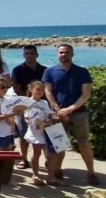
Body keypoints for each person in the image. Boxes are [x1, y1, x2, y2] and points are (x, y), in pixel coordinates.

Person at [43, 44, 98, 185]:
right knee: (59, 145)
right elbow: (48, 92)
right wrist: (57, 109)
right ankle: (57, 170)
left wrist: (70, 109)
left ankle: (91, 172)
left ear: (72, 54)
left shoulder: (82, 72)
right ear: (57, 54)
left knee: (84, 143)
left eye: (66, 52)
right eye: (61, 52)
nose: (63, 54)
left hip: (79, 114)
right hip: (58, 114)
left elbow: (86, 95)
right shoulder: (49, 71)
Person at [11, 45, 47, 169]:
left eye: (32, 53)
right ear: (24, 55)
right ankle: (24, 159)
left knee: (44, 132)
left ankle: (48, 160)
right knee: (23, 135)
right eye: (27, 53)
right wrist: (29, 103)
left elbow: (48, 88)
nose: (29, 55)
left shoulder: (44, 70)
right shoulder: (17, 70)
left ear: (37, 55)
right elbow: (16, 88)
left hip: (42, 107)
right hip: (24, 106)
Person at [23, 81, 59, 186]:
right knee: (37, 153)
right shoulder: (27, 102)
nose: (40, 92)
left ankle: (51, 176)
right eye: (37, 89)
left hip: (46, 131)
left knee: (51, 154)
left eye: (42, 90)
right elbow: (26, 118)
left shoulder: (44, 102)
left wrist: (51, 119)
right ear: (31, 89)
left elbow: (48, 114)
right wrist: (33, 123)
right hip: (35, 132)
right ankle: (35, 174)